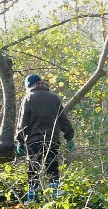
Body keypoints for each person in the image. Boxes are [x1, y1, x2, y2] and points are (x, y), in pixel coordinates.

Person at [15, 73, 75, 201]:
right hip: (52, 141)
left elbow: (22, 122)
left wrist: (20, 140)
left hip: (33, 142)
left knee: (33, 169)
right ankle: (55, 197)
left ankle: (32, 198)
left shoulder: (28, 98)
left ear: (29, 86)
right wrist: (69, 137)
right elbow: (63, 120)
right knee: (52, 168)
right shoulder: (54, 98)